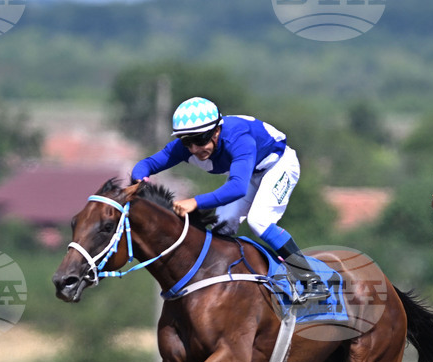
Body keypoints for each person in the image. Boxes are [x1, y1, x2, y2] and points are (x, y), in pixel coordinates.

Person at [131, 96, 328, 302]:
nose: (195, 149)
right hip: (250, 174)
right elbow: (146, 165)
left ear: (217, 131)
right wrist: (139, 182)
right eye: (187, 142)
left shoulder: (238, 138)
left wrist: (195, 202)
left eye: (200, 140)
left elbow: (237, 188)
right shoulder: (186, 146)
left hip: (278, 166)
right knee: (221, 225)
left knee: (258, 221)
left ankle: (312, 281)